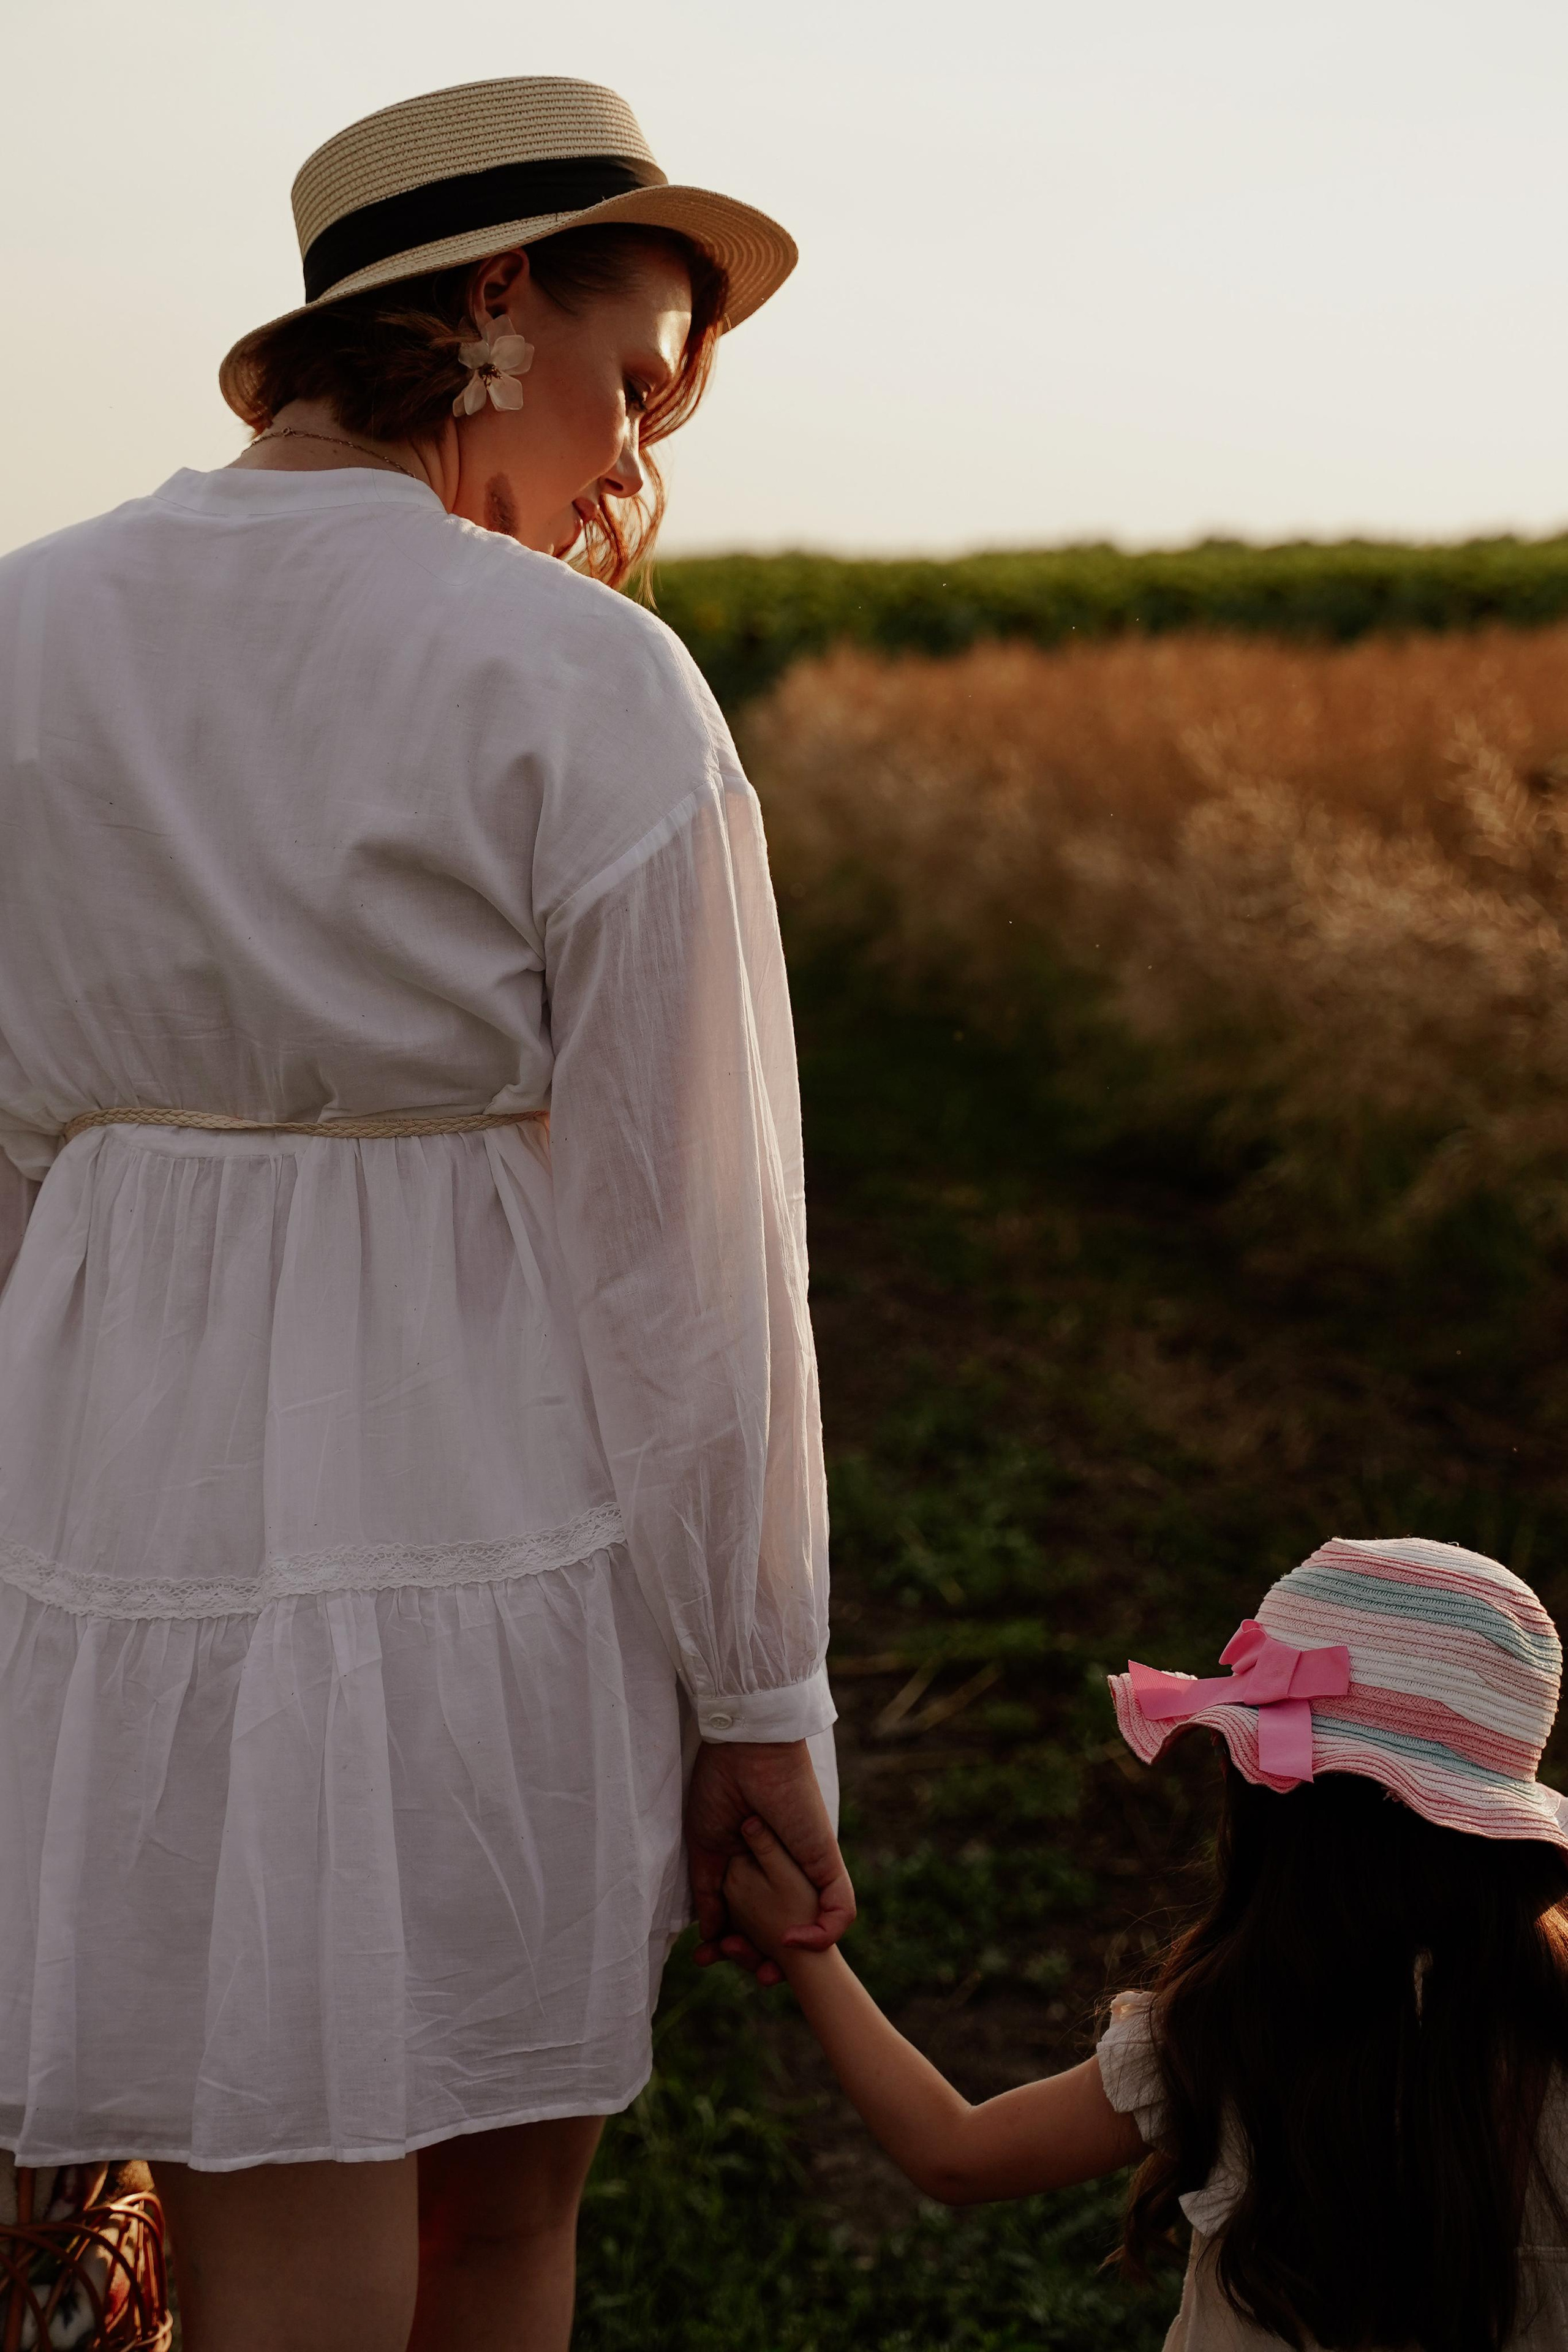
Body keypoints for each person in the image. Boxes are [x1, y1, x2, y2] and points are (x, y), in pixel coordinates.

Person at [0, 75, 850, 2352]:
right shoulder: (585, 676)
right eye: (634, 378)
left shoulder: (20, 629)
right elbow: (696, 1254)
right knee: (504, 2222)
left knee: (260, 2231)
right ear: (494, 300)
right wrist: (760, 1692)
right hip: (493, 1515)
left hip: (118, 1523)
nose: (633, 455)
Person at [725, 1536, 1568, 2351]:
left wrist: (806, 1951)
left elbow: (956, 2155)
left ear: (1279, 1814)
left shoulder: (1232, 2026)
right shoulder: (1551, 2027)